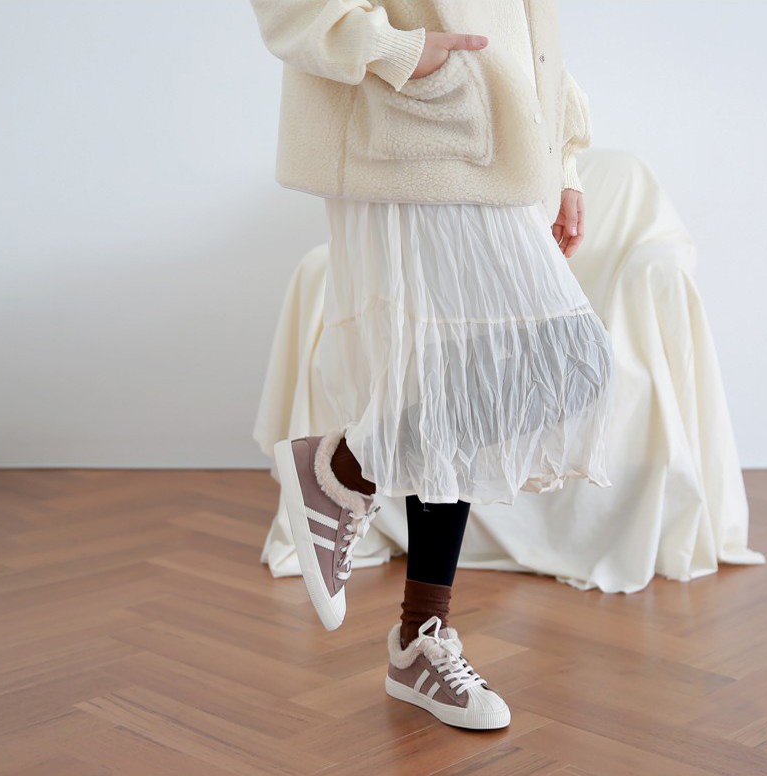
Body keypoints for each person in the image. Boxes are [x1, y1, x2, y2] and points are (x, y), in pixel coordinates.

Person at [250, 0, 614, 730]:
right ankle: (343, 473)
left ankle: (417, 628)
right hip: (415, 130)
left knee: (465, 383)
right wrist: (393, 50)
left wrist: (563, 161)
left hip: (494, 139)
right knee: (563, 359)